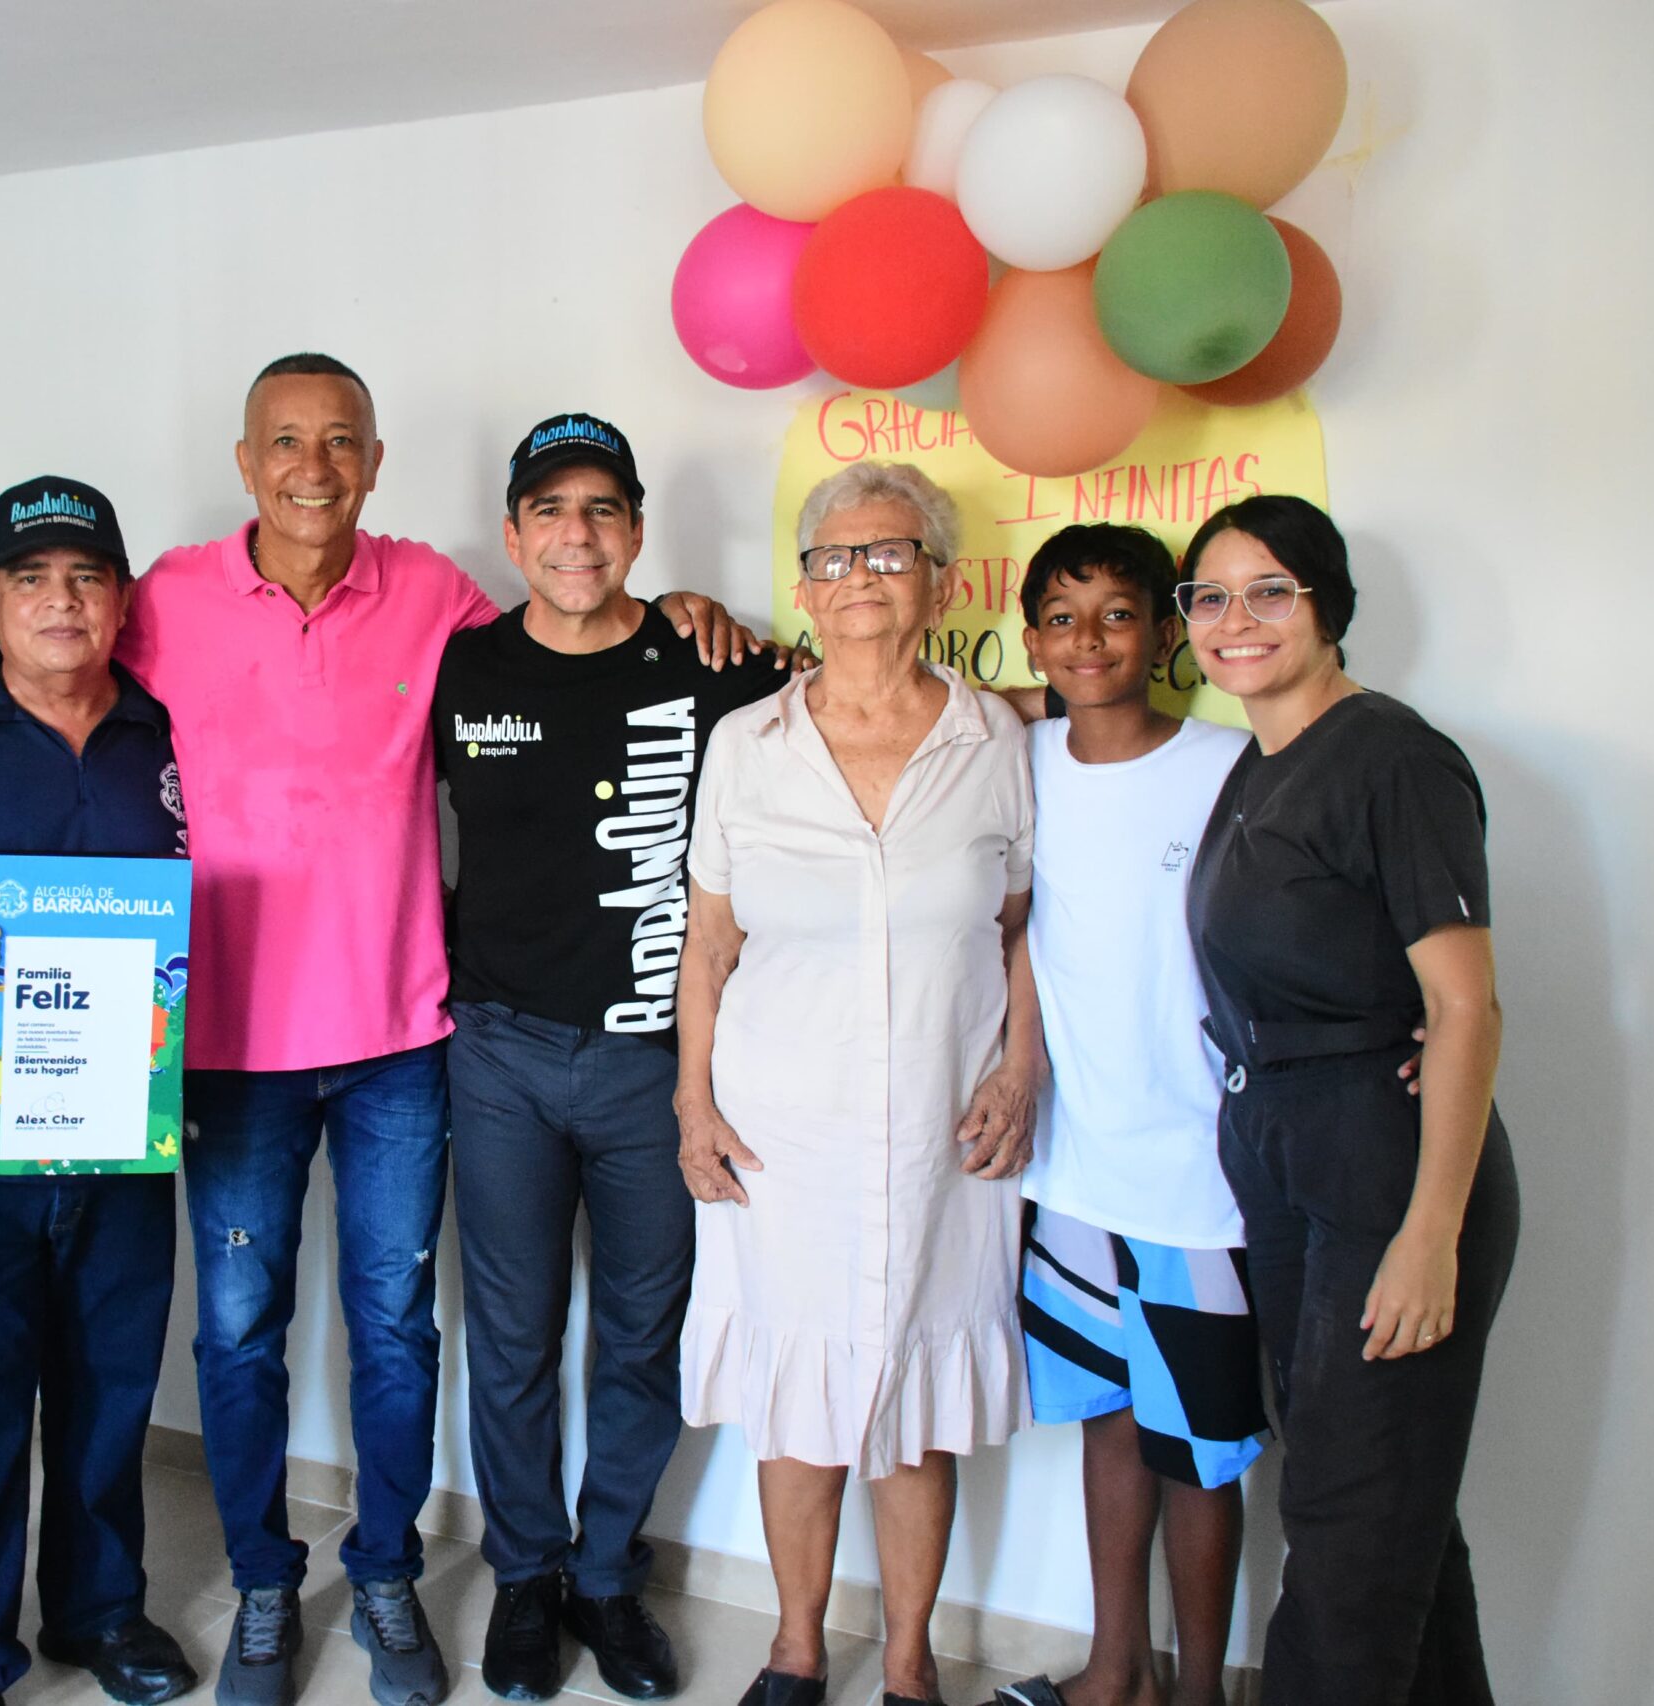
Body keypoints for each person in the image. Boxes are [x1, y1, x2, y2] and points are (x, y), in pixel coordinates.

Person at [0, 354, 756, 1706]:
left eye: (339, 442)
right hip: (223, 1053)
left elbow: (569, 619)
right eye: (285, 441)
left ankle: (391, 1572)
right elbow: (58, 656)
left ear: (375, 459)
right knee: (237, 1333)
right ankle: (269, 1585)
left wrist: (690, 609)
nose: (312, 466)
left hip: (403, 1037)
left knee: (398, 1327)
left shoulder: (439, 600)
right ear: (246, 460)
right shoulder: (164, 596)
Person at [675, 460, 1040, 1706]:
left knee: (916, 1400)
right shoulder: (746, 744)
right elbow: (707, 938)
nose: (858, 579)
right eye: (833, 558)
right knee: (798, 1393)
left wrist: (1022, 1062)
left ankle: (906, 1658)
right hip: (781, 1129)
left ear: (938, 580)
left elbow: (1024, 922)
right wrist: (690, 1100)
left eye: (887, 554)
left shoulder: (995, 738)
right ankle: (792, 1643)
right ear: (803, 590)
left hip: (948, 1123)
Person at [433, 415, 786, 1703]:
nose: (574, 535)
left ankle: (603, 1572)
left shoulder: (715, 666)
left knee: (643, 1333)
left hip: (661, 1063)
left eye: (601, 509)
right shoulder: (459, 670)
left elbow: (864, 705)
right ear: (514, 530)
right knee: (514, 1332)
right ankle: (524, 1573)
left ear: (635, 528)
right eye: (548, 510)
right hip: (502, 1052)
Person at [1178, 495, 1519, 1706]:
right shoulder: (1254, 763)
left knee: (1344, 1514)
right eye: (1209, 597)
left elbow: (1466, 1007)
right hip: (1285, 1149)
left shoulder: (1391, 756)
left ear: (1328, 607)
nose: (1236, 619)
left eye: (1269, 589)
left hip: (1388, 1159)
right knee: (1374, 1499)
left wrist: (1429, 1235)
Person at [0, 478, 196, 1706]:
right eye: (31, 578)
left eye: (86, 576)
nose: (61, 601)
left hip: (126, 1118)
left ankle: (99, 1609)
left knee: (112, 1376)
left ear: (120, 596)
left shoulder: (172, 728)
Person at [991, 525, 1265, 1706]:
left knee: (1198, 1448)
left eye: (1116, 613)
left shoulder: (1230, 766)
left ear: (1167, 631)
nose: (1087, 639)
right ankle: (1118, 1670)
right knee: (1109, 1418)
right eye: (1059, 615)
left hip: (1200, 1181)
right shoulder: (1019, 758)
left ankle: (1197, 1689)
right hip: (1074, 1169)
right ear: (1031, 639)